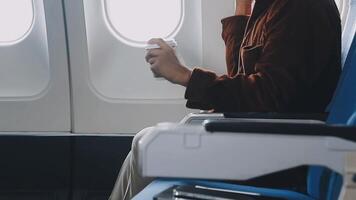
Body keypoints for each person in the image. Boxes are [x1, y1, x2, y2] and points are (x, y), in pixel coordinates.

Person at [110, 0, 341, 199]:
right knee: (146, 142)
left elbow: (269, 93)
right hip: (263, 139)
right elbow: (241, 77)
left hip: (284, 154)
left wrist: (185, 76)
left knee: (150, 145)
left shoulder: (301, 8)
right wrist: (242, 9)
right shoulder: (270, 7)